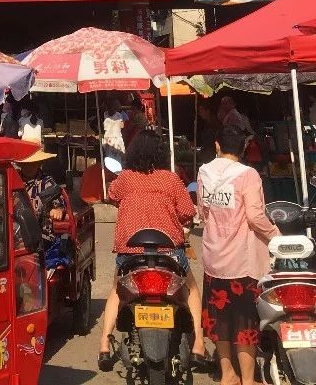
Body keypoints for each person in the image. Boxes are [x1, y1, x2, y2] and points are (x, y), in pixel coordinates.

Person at [98, 129, 203, 369]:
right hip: (168, 252)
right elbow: (188, 212)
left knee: (116, 290)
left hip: (131, 252)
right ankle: (198, 342)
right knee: (191, 289)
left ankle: (104, 344)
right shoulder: (171, 179)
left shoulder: (125, 178)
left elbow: (111, 196)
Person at [198, 125, 280, 385]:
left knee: (220, 318)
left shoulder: (204, 172)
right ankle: (247, 378)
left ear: (217, 146)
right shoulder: (248, 175)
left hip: (214, 257)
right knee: (245, 320)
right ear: (243, 149)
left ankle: (227, 374)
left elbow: (204, 212)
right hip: (242, 261)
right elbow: (255, 216)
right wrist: (276, 234)